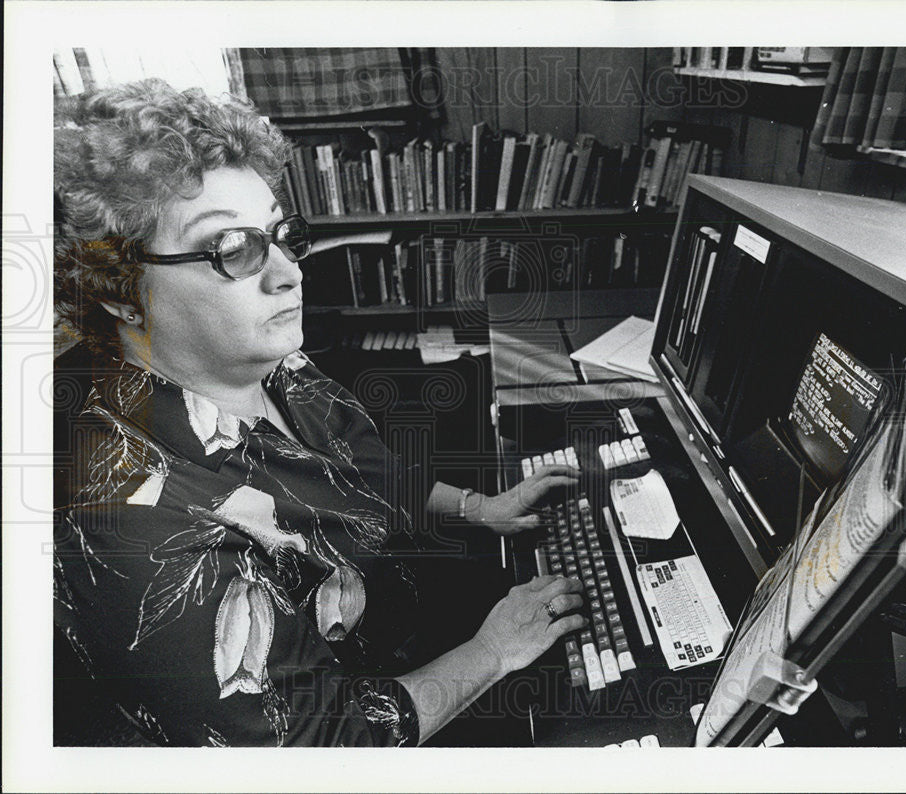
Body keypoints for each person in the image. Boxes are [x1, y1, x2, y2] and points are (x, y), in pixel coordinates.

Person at [53, 78, 585, 747]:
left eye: (281, 234)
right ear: (119, 293)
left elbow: (370, 475)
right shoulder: (129, 528)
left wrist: (481, 507)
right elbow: (321, 747)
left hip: (408, 605)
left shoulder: (270, 360)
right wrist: (494, 652)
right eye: (231, 249)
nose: (289, 273)